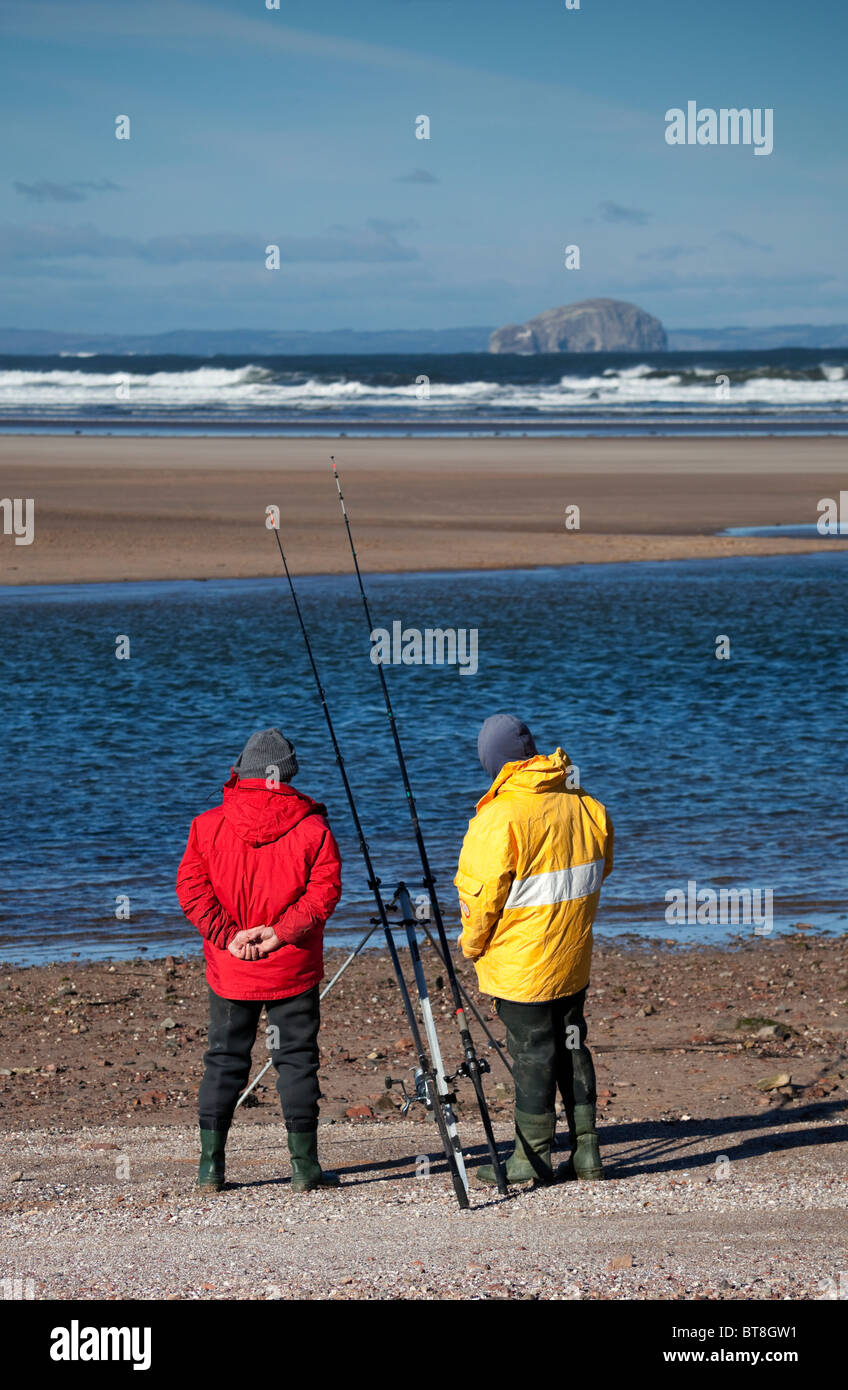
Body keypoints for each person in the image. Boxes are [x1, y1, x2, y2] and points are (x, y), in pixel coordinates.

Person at [176, 728, 342, 1193]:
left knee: (224, 1060)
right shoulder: (314, 828)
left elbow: (191, 890)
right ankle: (304, 1168)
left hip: (234, 968)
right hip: (290, 963)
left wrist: (229, 938)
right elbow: (324, 894)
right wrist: (279, 934)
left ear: (241, 770)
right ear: (288, 773)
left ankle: (212, 1169)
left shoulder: (206, 825)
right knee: (297, 1062)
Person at [454, 713, 613, 1187]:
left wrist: (471, 945)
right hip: (572, 956)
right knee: (572, 1045)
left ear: (494, 762)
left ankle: (531, 1157)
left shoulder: (498, 817)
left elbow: (480, 900)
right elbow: (601, 869)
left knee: (532, 1053)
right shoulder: (586, 804)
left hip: (522, 966)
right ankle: (587, 1153)